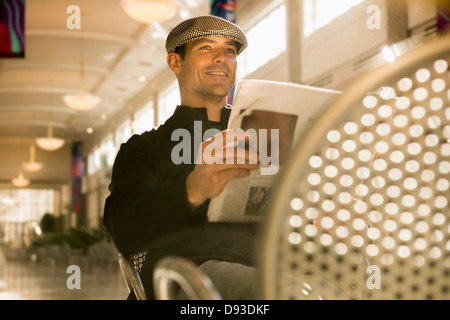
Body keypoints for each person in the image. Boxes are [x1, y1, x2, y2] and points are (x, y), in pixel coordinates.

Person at [103, 15, 261, 300]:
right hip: (188, 278)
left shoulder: (258, 142)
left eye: (229, 51)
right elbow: (124, 231)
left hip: (266, 266)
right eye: (206, 48)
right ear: (175, 62)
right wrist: (194, 188)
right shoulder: (144, 149)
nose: (221, 58)